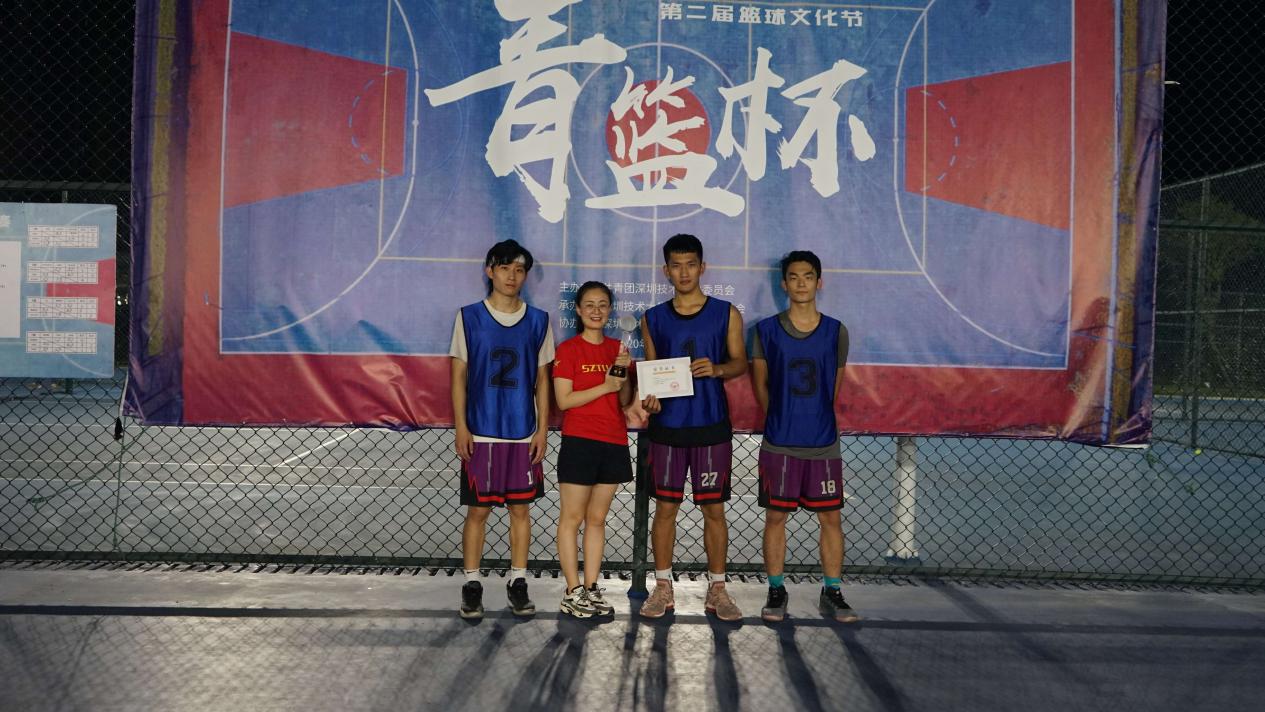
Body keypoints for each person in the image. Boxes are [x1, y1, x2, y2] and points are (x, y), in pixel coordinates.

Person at [638, 234, 748, 621]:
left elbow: (740, 363)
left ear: (703, 267)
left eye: (690, 265)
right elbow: (651, 375)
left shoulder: (726, 313)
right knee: (666, 508)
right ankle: (662, 587)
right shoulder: (652, 318)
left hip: (710, 425)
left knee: (714, 509)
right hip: (668, 426)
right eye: (676, 265)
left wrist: (717, 368)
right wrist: (650, 398)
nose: (684, 272)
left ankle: (717, 589)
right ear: (665, 270)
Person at [751, 250, 858, 623]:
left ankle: (833, 592)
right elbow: (761, 386)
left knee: (831, 519)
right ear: (783, 284)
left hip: (822, 441)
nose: (801, 283)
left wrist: (813, 417)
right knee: (775, 517)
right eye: (794, 277)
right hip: (779, 440)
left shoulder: (836, 331)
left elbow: (833, 388)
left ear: (819, 282)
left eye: (808, 276)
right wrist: (783, 417)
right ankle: (776, 590)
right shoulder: (766, 331)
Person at [450, 239, 553, 619]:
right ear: (490, 270)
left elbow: (543, 381)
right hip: (481, 430)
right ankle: (472, 584)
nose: (512, 276)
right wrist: (461, 426)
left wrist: (542, 430)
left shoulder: (539, 320)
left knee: (520, 510)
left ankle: (518, 581)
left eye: (520, 269)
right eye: (505, 268)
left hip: (522, 431)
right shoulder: (468, 317)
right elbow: (458, 377)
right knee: (478, 512)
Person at [552, 281, 659, 617]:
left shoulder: (617, 349)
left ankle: (591, 587)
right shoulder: (568, 350)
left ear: (610, 310)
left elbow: (623, 401)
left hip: (612, 440)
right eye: (589, 305)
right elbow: (564, 400)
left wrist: (622, 376)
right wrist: (605, 384)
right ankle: (572, 591)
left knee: (597, 520)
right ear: (578, 310)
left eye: (602, 305)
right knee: (572, 518)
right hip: (579, 441)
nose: (596, 311)